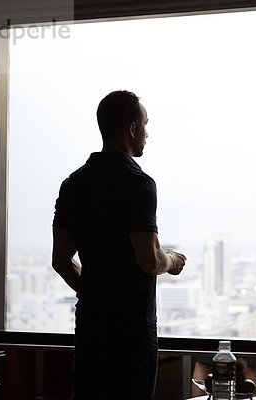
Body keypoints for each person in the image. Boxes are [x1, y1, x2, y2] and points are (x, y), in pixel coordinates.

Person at [51, 90, 186, 400]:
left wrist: (93, 293)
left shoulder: (73, 184)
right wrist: (173, 260)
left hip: (91, 327)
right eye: (146, 125)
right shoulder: (138, 183)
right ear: (132, 129)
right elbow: (149, 260)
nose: (148, 134)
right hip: (132, 331)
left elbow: (61, 260)